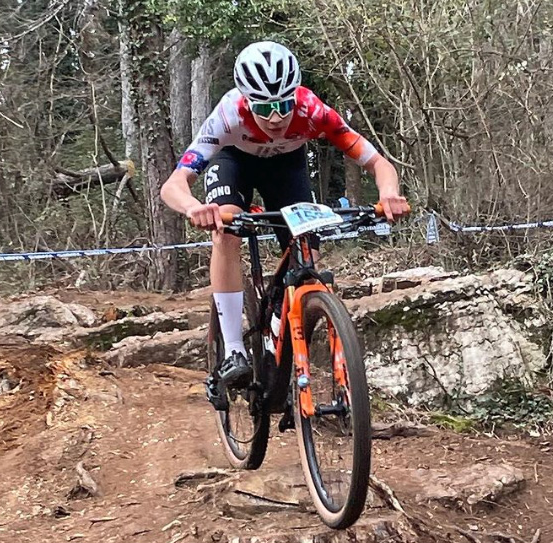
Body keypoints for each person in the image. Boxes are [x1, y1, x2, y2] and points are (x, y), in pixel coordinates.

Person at [160, 41, 408, 408]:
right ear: (246, 100)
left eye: (283, 104)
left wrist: (388, 195)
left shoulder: (313, 111)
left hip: (287, 166)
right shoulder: (228, 115)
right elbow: (173, 185)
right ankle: (233, 351)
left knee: (307, 252)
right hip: (235, 163)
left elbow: (378, 164)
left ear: (296, 96)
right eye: (263, 107)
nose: (275, 117)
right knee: (226, 230)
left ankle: (281, 327)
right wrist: (196, 208)